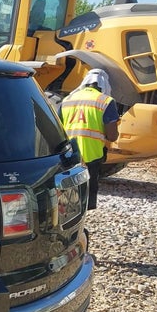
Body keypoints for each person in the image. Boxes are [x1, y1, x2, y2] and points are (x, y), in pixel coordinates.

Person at [60, 68, 120, 210]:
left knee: (66, 194)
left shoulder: (67, 99)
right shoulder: (106, 101)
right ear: (104, 85)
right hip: (91, 155)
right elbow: (112, 136)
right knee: (87, 195)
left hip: (69, 154)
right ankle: (81, 225)